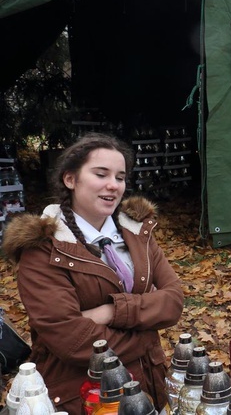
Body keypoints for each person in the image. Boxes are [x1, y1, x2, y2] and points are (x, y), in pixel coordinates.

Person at [2, 133, 184, 413]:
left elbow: (173, 301)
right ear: (70, 180)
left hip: (148, 384)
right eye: (101, 174)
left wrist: (112, 311)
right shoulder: (41, 249)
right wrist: (148, 333)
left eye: (120, 177)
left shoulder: (138, 232)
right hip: (86, 396)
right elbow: (74, 341)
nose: (113, 185)